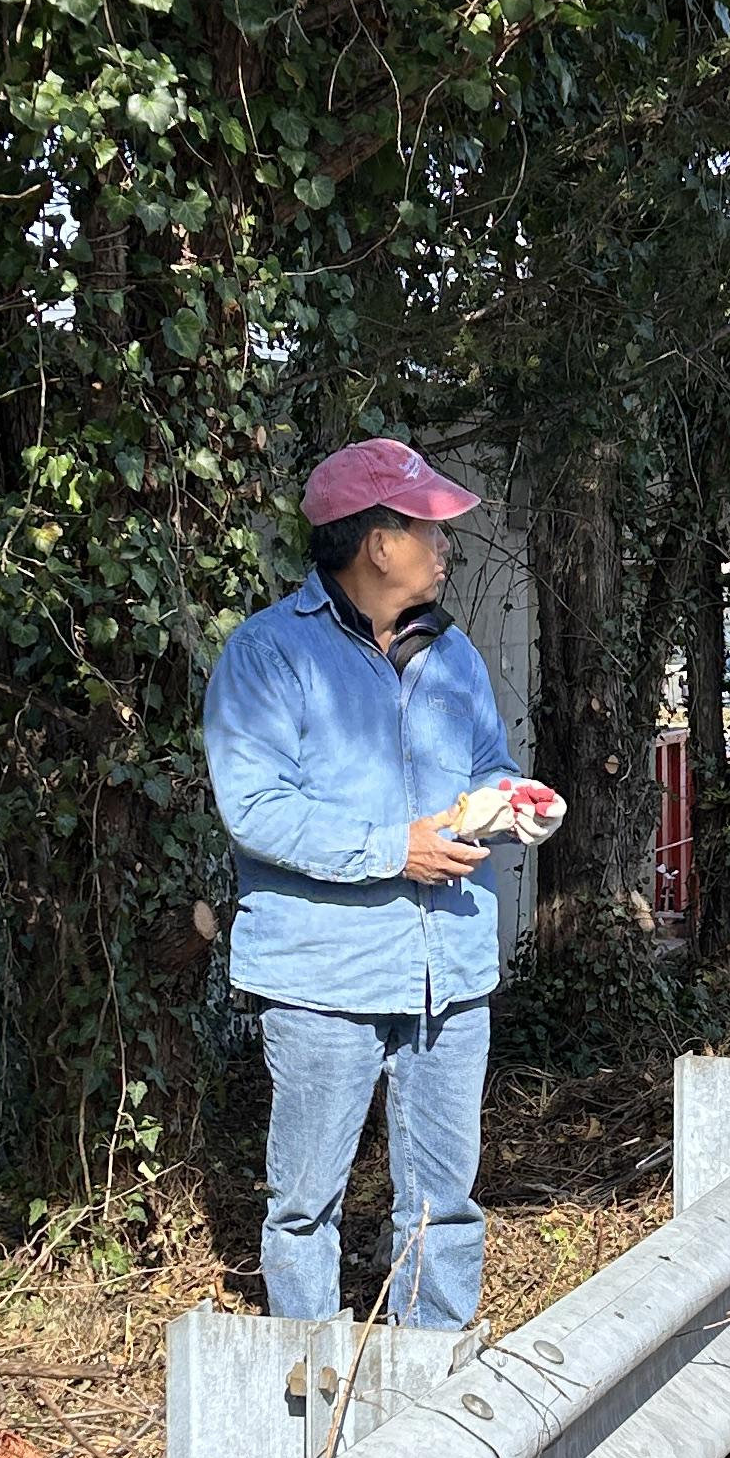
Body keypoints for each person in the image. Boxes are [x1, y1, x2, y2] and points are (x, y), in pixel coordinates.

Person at [202, 436, 520, 1330]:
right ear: (379, 544)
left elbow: (489, 764)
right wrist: (394, 849)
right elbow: (255, 808)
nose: (445, 544)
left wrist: (511, 803)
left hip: (448, 974)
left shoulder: (452, 654)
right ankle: (309, 1381)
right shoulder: (269, 655)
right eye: (430, 528)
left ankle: (435, 1371)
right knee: (306, 1206)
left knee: (446, 1204)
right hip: (324, 978)